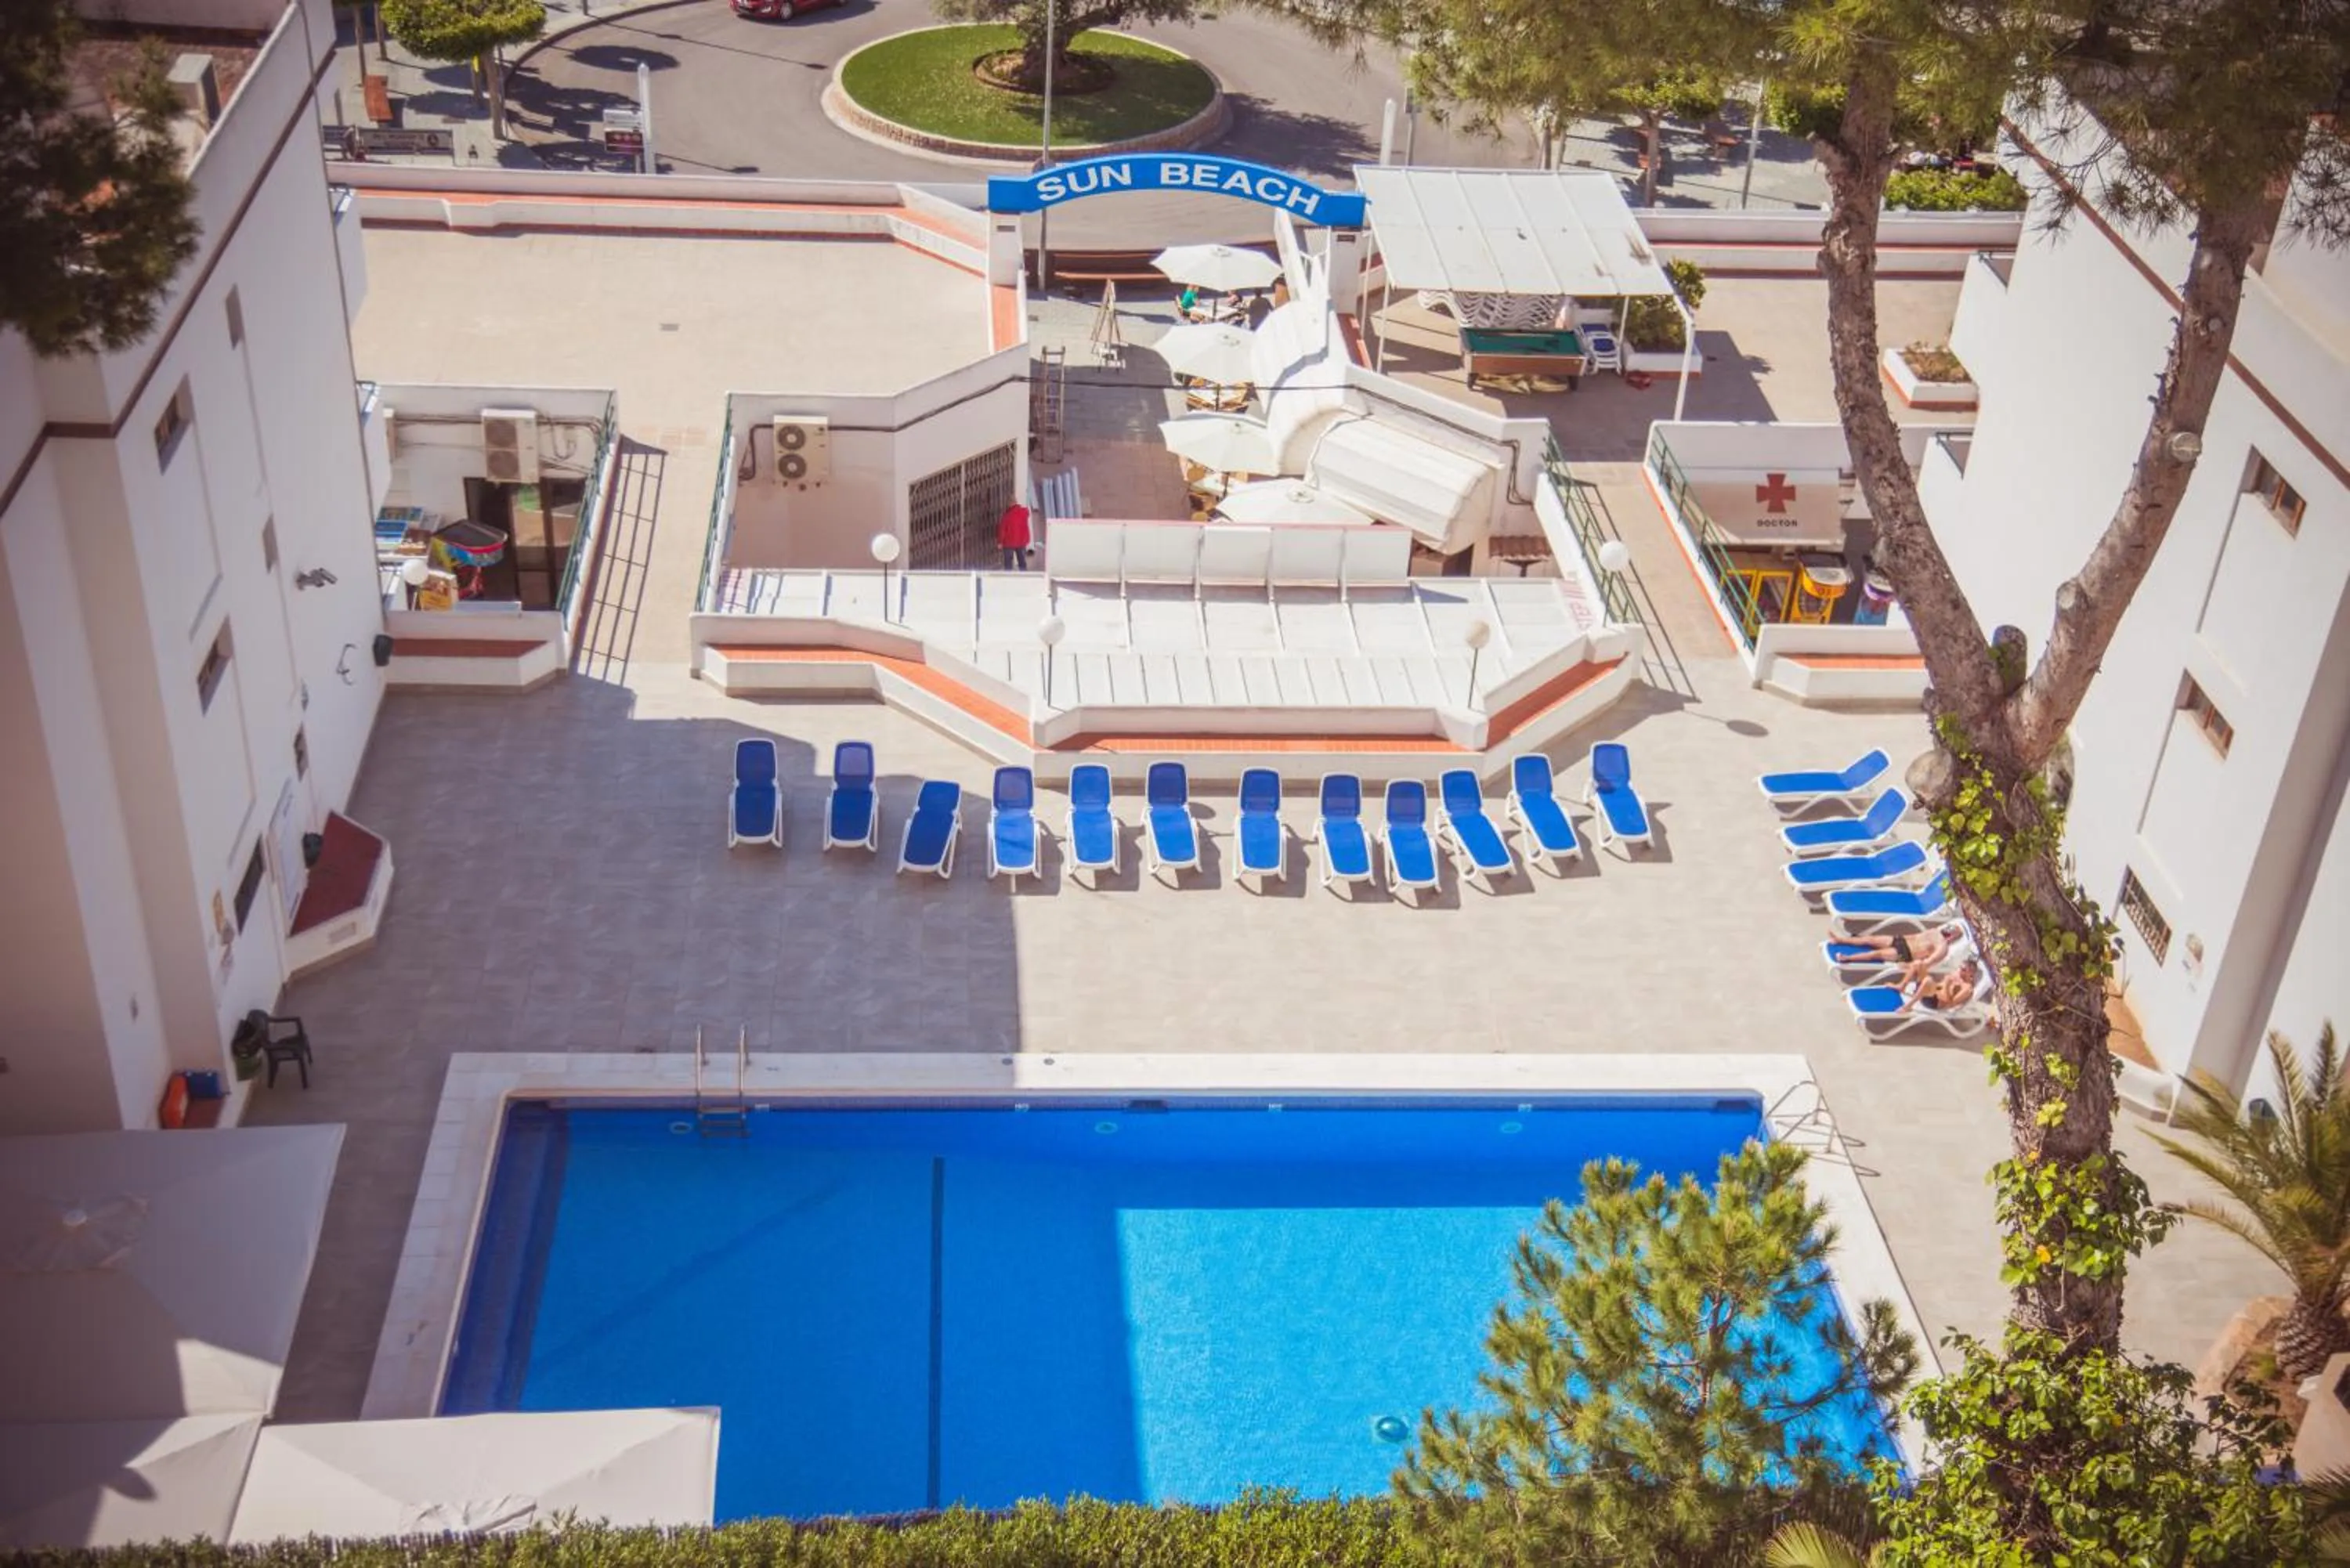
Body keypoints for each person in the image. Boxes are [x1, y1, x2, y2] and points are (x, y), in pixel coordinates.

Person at [1841, 921, 1965, 988]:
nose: (1947, 930)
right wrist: (1898, 938)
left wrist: (1908, 965)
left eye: (1950, 931)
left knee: (1876, 954)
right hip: (1901, 941)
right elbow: (1915, 936)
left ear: (1952, 938)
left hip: (1905, 953)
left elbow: (1927, 963)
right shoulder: (1935, 931)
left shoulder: (1942, 948)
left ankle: (1848, 958)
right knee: (1870, 940)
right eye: (1949, 928)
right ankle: (1840, 940)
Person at [997, 499, 1032, 572]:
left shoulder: (1007, 516)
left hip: (1009, 542)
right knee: (1022, 560)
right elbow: (1027, 513)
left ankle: (1009, 576)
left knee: (1008, 562)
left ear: (1009, 504)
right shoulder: (1024, 512)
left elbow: (1002, 531)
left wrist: (1000, 542)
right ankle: (1024, 574)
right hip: (1022, 541)